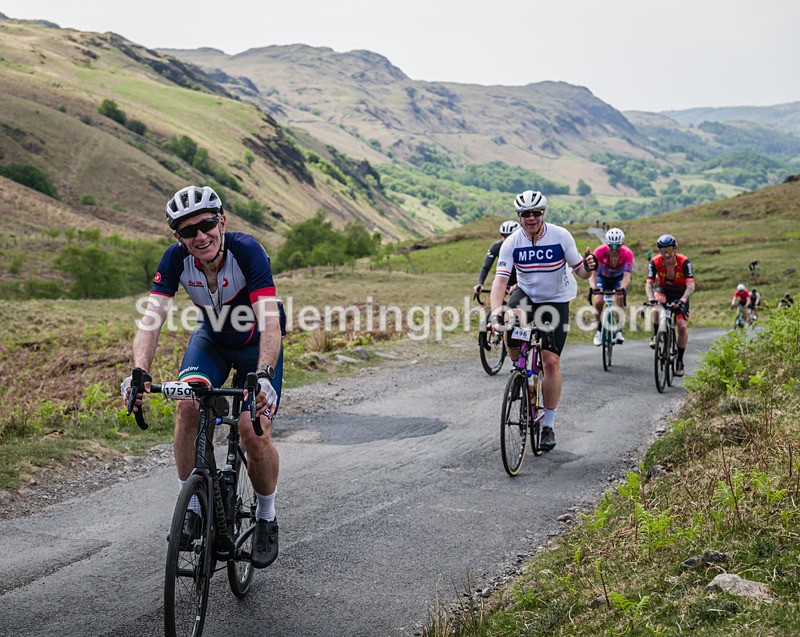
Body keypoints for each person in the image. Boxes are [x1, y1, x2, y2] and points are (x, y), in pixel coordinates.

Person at [121, 185, 284, 569]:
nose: (200, 236)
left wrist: (263, 374)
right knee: (186, 407)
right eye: (187, 230)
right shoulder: (176, 259)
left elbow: (271, 321)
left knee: (251, 430)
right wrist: (140, 369)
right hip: (211, 341)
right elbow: (152, 318)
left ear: (221, 221)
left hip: (255, 345)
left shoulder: (247, 251)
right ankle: (192, 506)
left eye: (207, 224)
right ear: (177, 237)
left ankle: (266, 516)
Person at [488, 190, 597, 452]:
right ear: (519, 216)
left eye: (536, 213)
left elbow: (580, 272)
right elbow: (501, 281)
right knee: (509, 322)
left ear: (543, 214)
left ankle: (548, 424)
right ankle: (518, 367)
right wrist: (495, 311)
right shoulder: (512, 242)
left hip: (556, 298)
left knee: (550, 361)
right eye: (525, 214)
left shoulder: (560, 236)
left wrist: (589, 267)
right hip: (526, 294)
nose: (531, 218)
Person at [645, 234, 695, 377]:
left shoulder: (684, 262)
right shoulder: (654, 262)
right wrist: (650, 298)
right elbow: (649, 283)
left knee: (681, 326)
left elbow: (691, 285)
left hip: (680, 293)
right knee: (657, 303)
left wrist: (683, 300)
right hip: (663, 289)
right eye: (662, 251)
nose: (666, 255)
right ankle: (656, 334)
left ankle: (679, 360)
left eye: (669, 251)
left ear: (675, 249)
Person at [590, 227, 634, 346]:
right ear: (607, 243)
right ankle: (598, 330)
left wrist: (622, 288)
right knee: (598, 301)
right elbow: (592, 273)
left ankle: (619, 330)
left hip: (618, 278)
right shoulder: (599, 251)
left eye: (617, 246)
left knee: (620, 299)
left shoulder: (627, 253)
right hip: (602, 277)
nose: (614, 249)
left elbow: (627, 275)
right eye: (611, 246)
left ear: (622, 244)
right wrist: (594, 287)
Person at [472, 220, 519, 297]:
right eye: (504, 236)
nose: (506, 240)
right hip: (505, 280)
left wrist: (518, 285)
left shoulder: (525, 247)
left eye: (510, 236)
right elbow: (485, 267)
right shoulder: (496, 247)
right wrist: (480, 284)